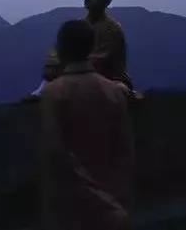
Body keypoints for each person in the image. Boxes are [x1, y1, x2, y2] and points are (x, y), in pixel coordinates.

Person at [40, 20, 135, 230]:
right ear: (91, 47)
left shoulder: (54, 93)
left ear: (61, 49)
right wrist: (114, 200)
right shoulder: (114, 92)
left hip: (71, 208)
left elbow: (56, 152)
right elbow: (125, 151)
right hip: (111, 205)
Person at [84, 0, 133, 90]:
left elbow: (100, 60)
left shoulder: (113, 29)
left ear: (106, 1)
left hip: (111, 80)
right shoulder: (80, 26)